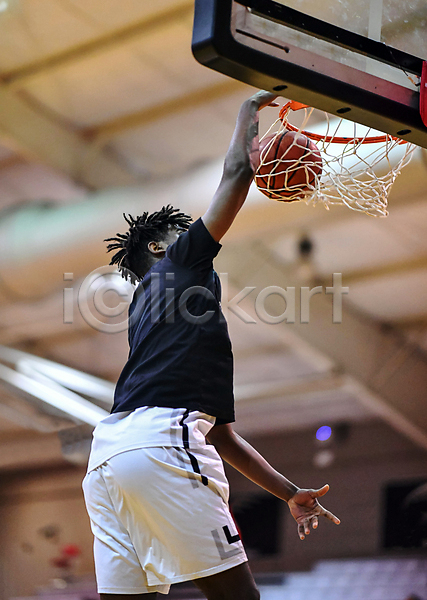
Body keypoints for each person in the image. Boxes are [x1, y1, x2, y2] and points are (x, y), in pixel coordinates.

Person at [82, 90, 340, 600]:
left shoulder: (149, 311)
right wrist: (251, 108)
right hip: (160, 444)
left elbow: (222, 438)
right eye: (183, 230)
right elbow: (236, 175)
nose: (197, 234)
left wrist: (290, 493)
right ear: (160, 247)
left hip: (107, 459)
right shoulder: (178, 265)